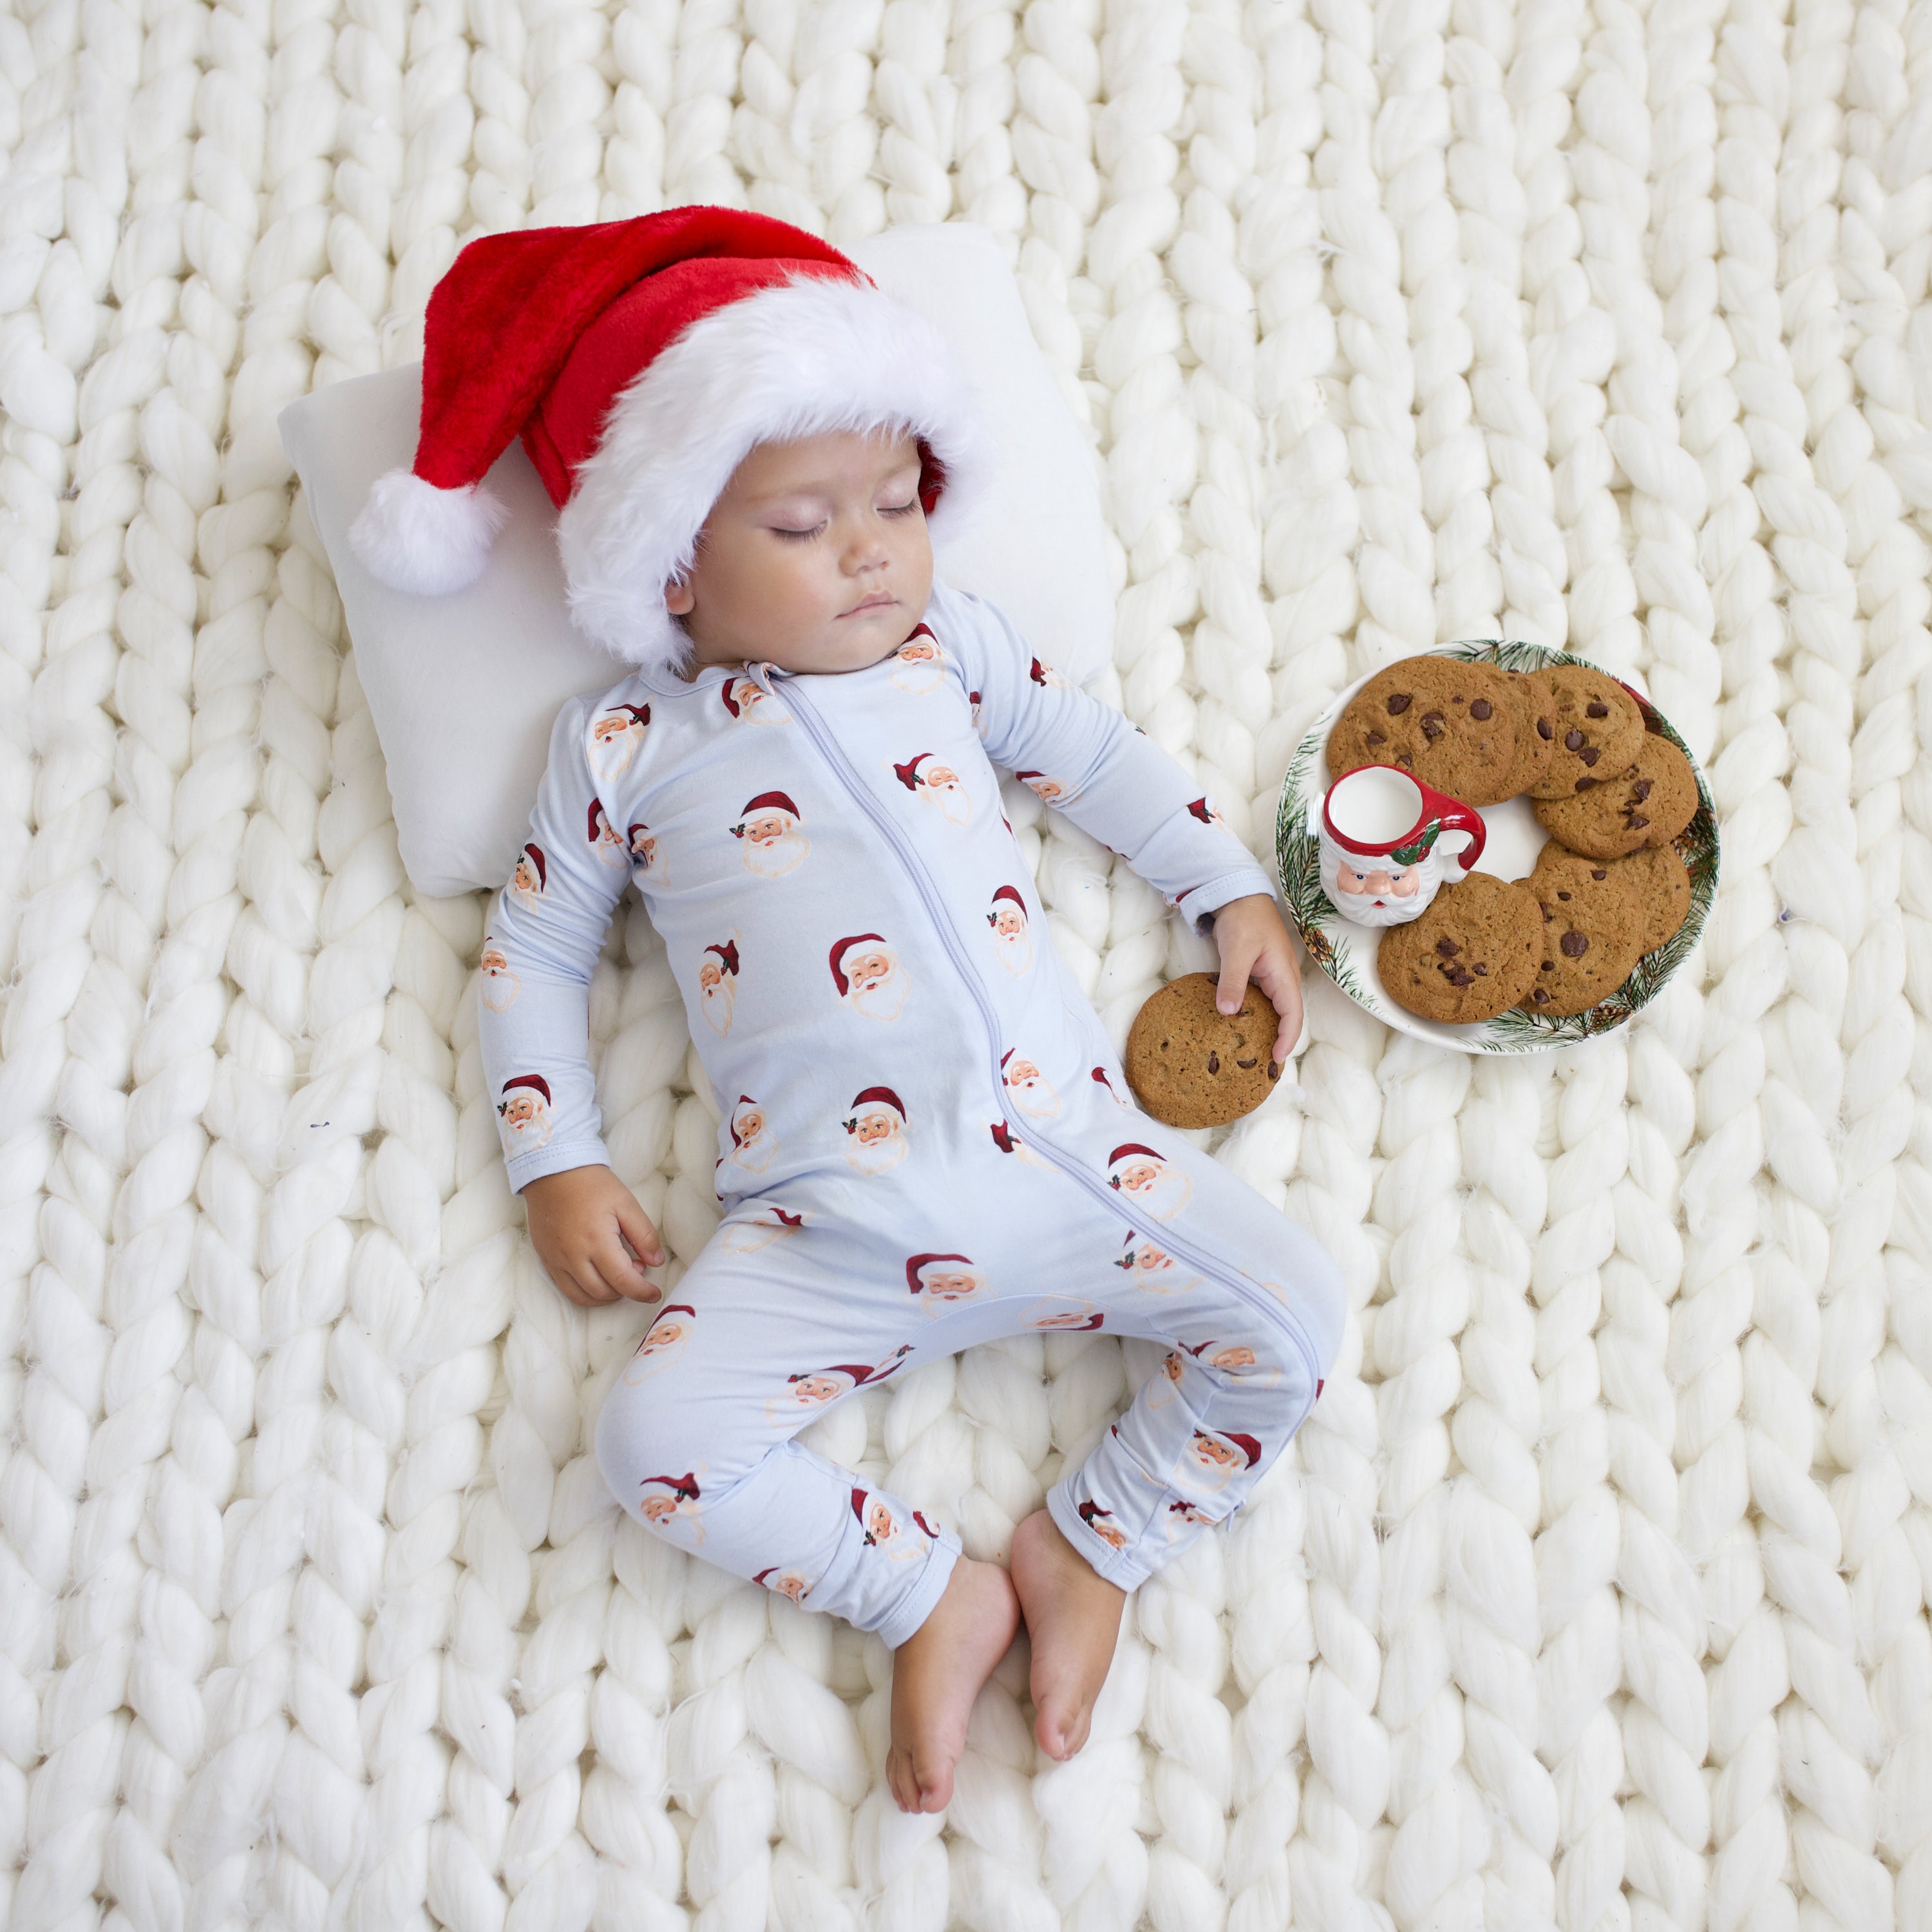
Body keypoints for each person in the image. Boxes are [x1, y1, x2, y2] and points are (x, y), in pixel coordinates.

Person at [348, 207, 1344, 1819]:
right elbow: (531, 955)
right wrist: (559, 1159)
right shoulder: (623, 743)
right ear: (669, 560)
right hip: (823, 1219)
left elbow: (1090, 758)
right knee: (652, 1442)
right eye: (805, 525)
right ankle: (924, 1592)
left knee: (1296, 1316)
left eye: (897, 501)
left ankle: (1092, 1542)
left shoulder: (949, 649)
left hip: (1072, 1159)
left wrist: (1225, 888)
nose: (875, 550)